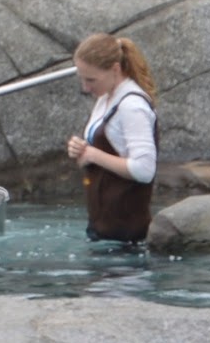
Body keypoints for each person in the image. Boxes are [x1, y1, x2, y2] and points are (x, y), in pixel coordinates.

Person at [66, 33, 158, 243]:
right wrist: (80, 149)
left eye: (91, 80)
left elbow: (144, 169)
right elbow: (99, 152)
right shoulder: (106, 97)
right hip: (104, 229)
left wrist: (93, 154)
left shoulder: (132, 106)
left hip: (127, 234)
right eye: (82, 78)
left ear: (115, 69)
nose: (85, 87)